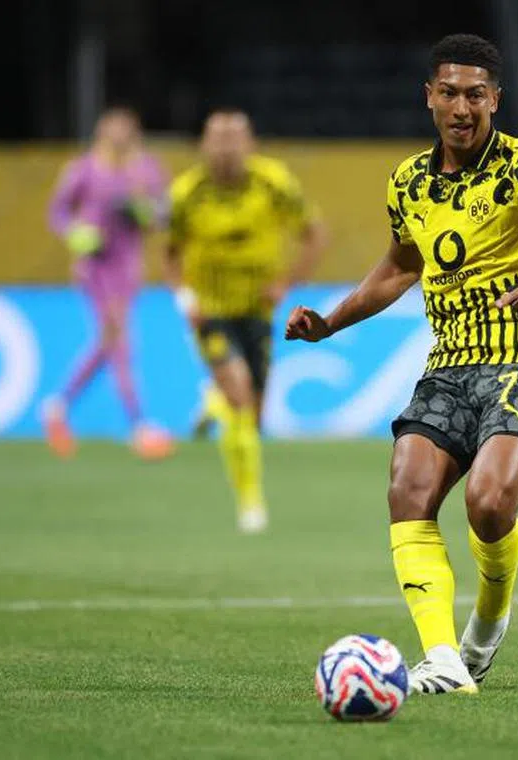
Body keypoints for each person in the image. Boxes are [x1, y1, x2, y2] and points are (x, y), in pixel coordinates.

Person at [286, 34, 518, 695]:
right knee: (408, 490)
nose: (463, 107)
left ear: (495, 99)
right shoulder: (408, 181)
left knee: (489, 505)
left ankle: (486, 623)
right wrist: (330, 322)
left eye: (477, 94)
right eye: (451, 92)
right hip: (450, 364)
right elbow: (400, 268)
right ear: (430, 96)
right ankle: (442, 659)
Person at [167, 109, 326, 534]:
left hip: (258, 312)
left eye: (234, 137)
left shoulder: (273, 183)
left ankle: (213, 404)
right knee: (240, 397)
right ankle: (251, 501)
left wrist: (287, 282)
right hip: (212, 311)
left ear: (250, 143)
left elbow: (313, 232)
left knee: (252, 418)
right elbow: (170, 251)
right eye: (217, 137)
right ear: (203, 144)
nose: (225, 147)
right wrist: (185, 297)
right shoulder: (187, 192)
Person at [43, 107, 173, 461]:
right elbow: (57, 212)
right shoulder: (83, 169)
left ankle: (58, 407)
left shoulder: (146, 169)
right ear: (101, 133)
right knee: (119, 339)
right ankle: (140, 425)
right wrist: (77, 234)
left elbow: (164, 213)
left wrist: (143, 211)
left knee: (108, 343)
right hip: (96, 265)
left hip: (128, 266)